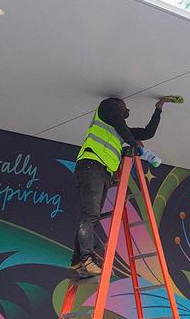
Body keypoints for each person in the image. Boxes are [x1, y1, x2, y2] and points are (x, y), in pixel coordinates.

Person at [70, 96, 169, 278]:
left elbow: (148, 133)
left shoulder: (118, 131)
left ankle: (77, 261)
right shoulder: (106, 107)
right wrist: (133, 142)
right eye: (125, 106)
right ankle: (86, 259)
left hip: (102, 171)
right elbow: (122, 126)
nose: (128, 109)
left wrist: (158, 109)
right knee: (90, 215)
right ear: (116, 105)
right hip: (91, 164)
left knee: (92, 216)